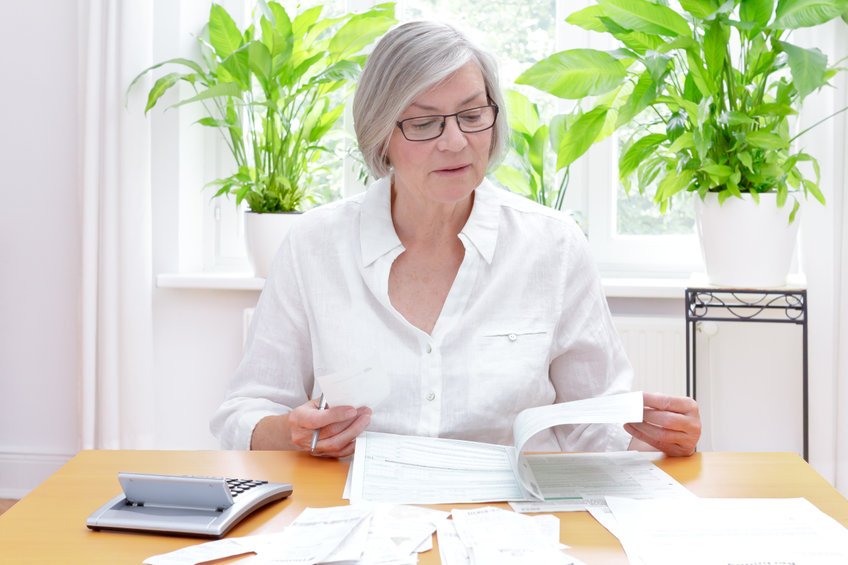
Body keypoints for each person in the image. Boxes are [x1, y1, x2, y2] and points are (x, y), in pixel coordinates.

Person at [210, 21, 700, 459]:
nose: (454, 142)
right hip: (358, 515)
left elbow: (595, 427)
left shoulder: (553, 246)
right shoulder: (313, 245)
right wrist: (293, 432)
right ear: (381, 134)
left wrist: (660, 437)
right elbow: (244, 412)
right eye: (424, 123)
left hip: (510, 522)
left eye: (472, 115)